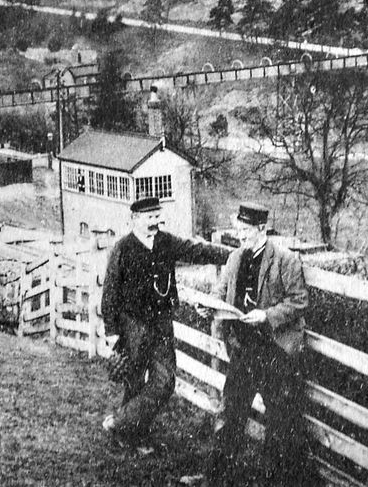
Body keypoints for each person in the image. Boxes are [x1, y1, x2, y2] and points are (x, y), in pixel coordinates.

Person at [181, 202, 314, 486]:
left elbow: (299, 300)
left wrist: (266, 315)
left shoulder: (285, 259)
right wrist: (209, 307)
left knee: (280, 421)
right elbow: (220, 292)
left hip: (274, 352)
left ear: (262, 229)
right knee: (230, 415)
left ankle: (276, 480)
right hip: (242, 350)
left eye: (246, 231)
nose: (240, 236)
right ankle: (214, 479)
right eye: (238, 229)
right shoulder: (235, 259)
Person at [100, 196, 230, 454]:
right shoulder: (122, 249)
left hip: (160, 325)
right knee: (134, 382)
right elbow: (110, 292)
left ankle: (118, 423)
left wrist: (234, 256)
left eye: (157, 217)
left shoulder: (166, 242)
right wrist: (112, 332)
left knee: (164, 381)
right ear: (134, 219)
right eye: (149, 218)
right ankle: (134, 436)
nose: (155, 223)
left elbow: (197, 251)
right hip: (132, 327)